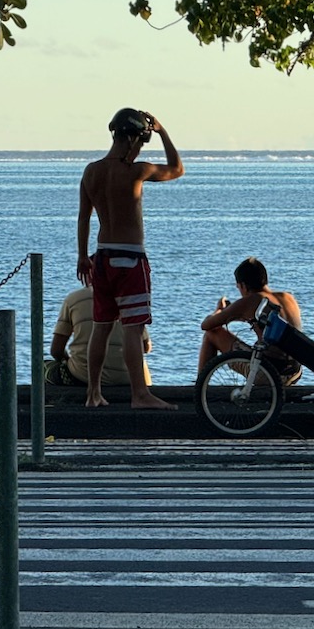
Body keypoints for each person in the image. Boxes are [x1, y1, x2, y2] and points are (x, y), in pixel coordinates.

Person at [76, 107, 183, 409]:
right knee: (133, 328)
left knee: (102, 325)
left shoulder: (91, 171)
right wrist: (163, 131)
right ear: (133, 138)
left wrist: (83, 256)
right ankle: (140, 394)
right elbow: (177, 168)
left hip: (102, 257)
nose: (139, 150)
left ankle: (93, 393)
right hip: (130, 258)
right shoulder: (136, 171)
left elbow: (83, 218)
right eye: (140, 142)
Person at [198, 257, 303, 385]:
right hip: (294, 372)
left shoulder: (251, 300)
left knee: (211, 334)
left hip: (268, 374)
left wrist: (219, 309)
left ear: (243, 286)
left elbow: (206, 325)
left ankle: (199, 386)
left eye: (239, 288)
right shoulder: (288, 298)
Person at [49, 284, 152, 387]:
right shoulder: (129, 300)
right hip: (127, 379)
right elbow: (146, 347)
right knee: (141, 362)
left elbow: (56, 350)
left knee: (46, 368)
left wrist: (66, 360)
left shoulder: (73, 299)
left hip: (83, 377)